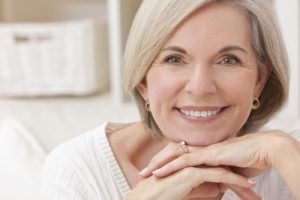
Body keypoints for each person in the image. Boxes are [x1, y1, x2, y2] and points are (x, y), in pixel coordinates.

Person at [42, 0, 300, 199]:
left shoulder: (286, 162)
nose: (200, 88)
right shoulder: (79, 171)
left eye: (228, 60)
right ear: (142, 81)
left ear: (259, 81)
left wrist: (284, 151)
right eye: (174, 59)